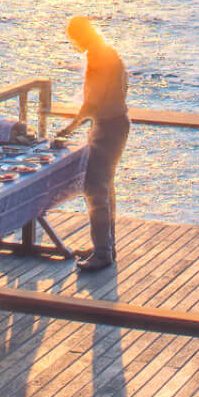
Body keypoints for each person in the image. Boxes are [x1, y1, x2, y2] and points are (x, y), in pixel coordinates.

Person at [53, 16, 130, 272]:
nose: (73, 44)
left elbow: (92, 103)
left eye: (73, 39)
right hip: (117, 122)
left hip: (107, 127)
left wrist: (69, 128)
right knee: (106, 188)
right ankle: (107, 246)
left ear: (81, 36)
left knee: (95, 188)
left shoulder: (97, 58)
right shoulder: (109, 52)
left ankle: (102, 253)